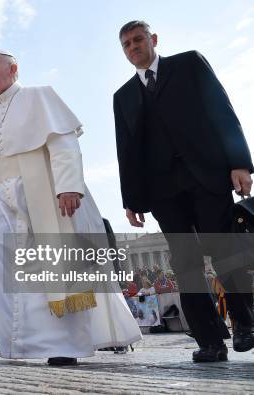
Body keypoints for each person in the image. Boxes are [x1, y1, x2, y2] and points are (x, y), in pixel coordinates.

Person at [0, 51, 142, 365]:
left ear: (14, 69)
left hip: (45, 192)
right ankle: (5, 338)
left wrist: (68, 186)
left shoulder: (39, 97)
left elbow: (63, 144)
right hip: (4, 201)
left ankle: (66, 345)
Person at [113, 20, 254, 362]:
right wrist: (131, 200)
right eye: (127, 44)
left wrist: (240, 163)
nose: (134, 47)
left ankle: (245, 324)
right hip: (163, 190)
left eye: (138, 40)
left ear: (153, 39)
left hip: (207, 175)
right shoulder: (123, 96)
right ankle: (209, 341)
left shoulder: (189, 64)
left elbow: (222, 111)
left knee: (225, 252)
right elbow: (126, 151)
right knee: (185, 263)